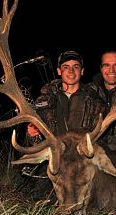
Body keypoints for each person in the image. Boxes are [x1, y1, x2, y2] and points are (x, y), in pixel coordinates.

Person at [19, 50, 106, 200]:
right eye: (66, 67)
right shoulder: (42, 101)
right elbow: (34, 143)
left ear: (82, 71)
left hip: (81, 161)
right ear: (59, 71)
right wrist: (31, 134)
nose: (71, 71)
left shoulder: (96, 101)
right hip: (55, 159)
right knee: (41, 198)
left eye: (76, 67)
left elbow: (100, 138)